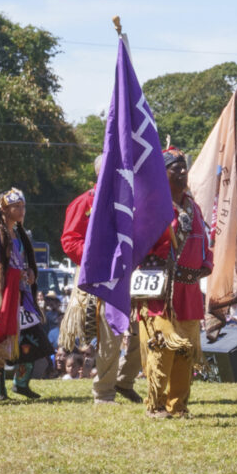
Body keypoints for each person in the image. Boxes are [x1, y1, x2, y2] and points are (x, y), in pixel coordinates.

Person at [137, 152, 213, 417]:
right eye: (175, 169)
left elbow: (204, 238)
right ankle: (156, 404)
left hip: (189, 288)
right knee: (163, 344)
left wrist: (207, 262)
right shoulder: (152, 205)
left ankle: (178, 405)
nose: (182, 172)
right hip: (161, 288)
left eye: (184, 168)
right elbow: (140, 244)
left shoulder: (193, 206)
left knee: (186, 349)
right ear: (162, 174)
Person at [59, 168, 142, 403]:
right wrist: (98, 257)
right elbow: (69, 240)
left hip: (133, 275)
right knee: (110, 332)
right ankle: (104, 393)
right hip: (101, 277)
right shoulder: (84, 203)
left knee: (140, 331)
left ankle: (124, 381)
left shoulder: (132, 202)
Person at [0, 189, 44, 401]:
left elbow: (23, 262)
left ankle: (21, 383)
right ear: (5, 210)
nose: (21, 210)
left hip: (21, 294)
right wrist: (12, 278)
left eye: (23, 206)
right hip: (4, 294)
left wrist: (29, 272)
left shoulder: (20, 234)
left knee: (32, 338)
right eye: (16, 206)